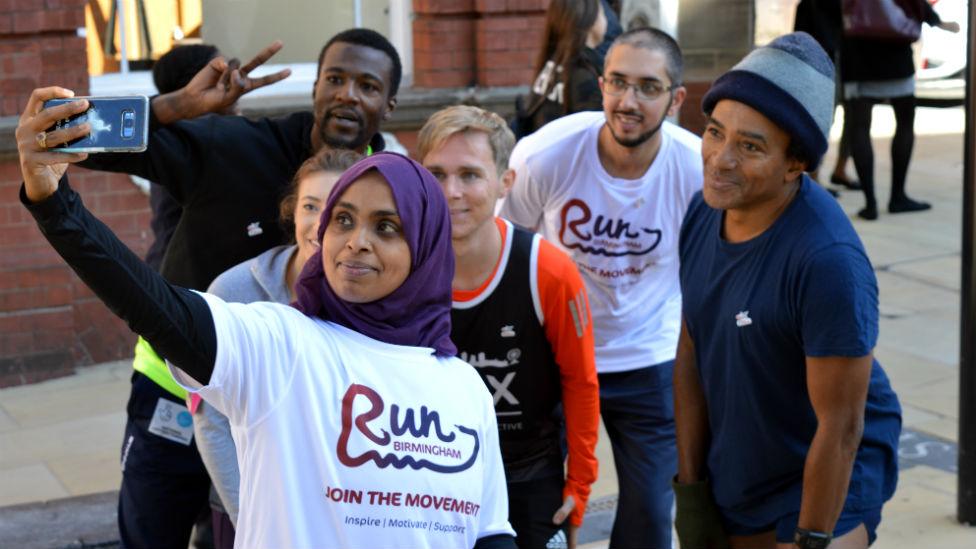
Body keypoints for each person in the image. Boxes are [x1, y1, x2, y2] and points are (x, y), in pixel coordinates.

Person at [18, 90, 517, 547]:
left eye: (386, 227)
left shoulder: (464, 388)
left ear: (426, 249)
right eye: (342, 219)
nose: (356, 240)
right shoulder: (280, 344)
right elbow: (156, 305)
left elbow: (491, 534)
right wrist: (56, 207)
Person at [69, 28, 399, 548]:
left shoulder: (399, 192)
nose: (348, 95)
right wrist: (173, 106)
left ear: (390, 103)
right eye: (335, 78)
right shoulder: (236, 147)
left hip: (296, 417)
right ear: (316, 88)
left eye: (368, 85)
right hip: (178, 390)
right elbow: (70, 135)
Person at [672, 32, 901, 549]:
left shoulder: (827, 262)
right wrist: (690, 492)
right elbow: (691, 350)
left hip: (829, 468)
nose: (720, 159)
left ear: (796, 164)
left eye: (750, 146)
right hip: (744, 461)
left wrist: (812, 539)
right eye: (714, 132)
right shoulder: (701, 213)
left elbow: (842, 428)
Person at [500, 27, 702, 548]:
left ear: (676, 99)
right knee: (546, 503)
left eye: (648, 88)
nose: (627, 101)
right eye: (617, 82)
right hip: (557, 354)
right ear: (602, 83)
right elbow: (506, 250)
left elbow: (714, 272)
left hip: (648, 358)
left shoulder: (694, 169)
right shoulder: (547, 155)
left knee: (652, 513)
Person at [418, 106, 600, 549]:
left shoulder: (549, 271)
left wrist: (579, 486)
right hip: (433, 470)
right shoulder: (404, 267)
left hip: (528, 468)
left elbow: (580, 382)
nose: (451, 192)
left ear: (505, 181)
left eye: (470, 175)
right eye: (436, 174)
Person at [194, 148, 362, 548]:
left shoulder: (376, 298)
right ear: (292, 212)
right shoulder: (234, 292)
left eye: (339, 210)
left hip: (343, 515)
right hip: (247, 511)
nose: (321, 222)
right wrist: (253, 522)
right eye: (310, 205)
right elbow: (211, 422)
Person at [840, 1, 960, 220]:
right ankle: (898, 196)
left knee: (859, 126)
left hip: (856, 53)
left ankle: (870, 204)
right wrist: (936, 21)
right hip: (894, 51)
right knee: (905, 122)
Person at [144, 43, 239, 271]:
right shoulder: (185, 143)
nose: (237, 84)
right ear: (197, 87)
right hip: (180, 282)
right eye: (225, 77)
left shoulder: (183, 135)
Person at [792, 0, 858, 193]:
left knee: (855, 117)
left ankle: (841, 169)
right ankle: (815, 176)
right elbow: (800, 41)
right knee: (825, 117)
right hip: (825, 62)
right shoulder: (810, 5)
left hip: (854, 59)